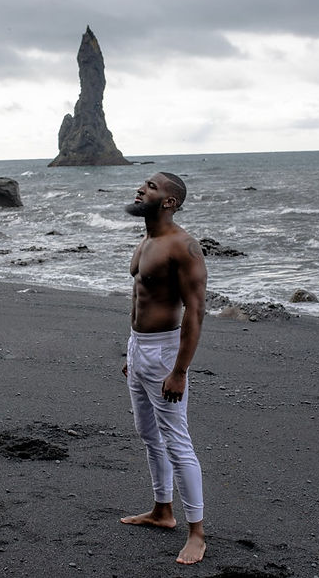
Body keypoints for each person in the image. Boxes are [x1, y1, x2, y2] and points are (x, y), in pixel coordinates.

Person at [120, 171, 207, 565]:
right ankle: (162, 511)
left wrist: (180, 370)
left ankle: (197, 533)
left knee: (177, 440)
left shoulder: (183, 246)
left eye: (151, 187)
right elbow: (139, 299)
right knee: (148, 434)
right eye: (144, 184)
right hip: (139, 349)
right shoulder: (145, 240)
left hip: (165, 354)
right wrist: (132, 353)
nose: (141, 189)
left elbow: (196, 311)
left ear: (169, 202)